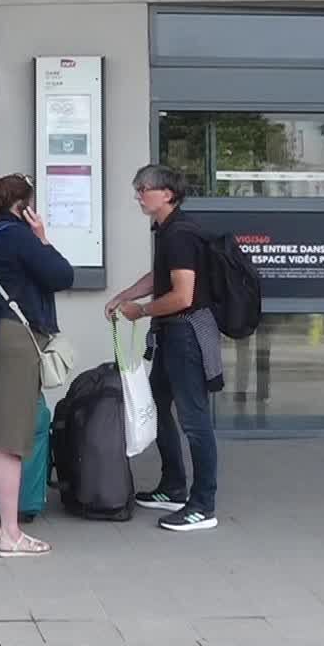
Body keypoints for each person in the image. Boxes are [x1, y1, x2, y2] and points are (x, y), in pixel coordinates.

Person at [0, 174, 73, 558]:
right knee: (8, 440)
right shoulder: (18, 236)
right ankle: (10, 534)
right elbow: (61, 275)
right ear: (21, 206)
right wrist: (42, 236)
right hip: (11, 343)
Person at [104, 164, 221, 533]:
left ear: (167, 194)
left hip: (186, 336)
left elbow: (182, 295)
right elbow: (161, 277)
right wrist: (124, 296)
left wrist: (140, 310)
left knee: (194, 420)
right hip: (171, 336)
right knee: (156, 405)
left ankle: (202, 504)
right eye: (137, 188)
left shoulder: (180, 234)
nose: (138, 195)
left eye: (144, 189)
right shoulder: (168, 231)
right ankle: (173, 486)